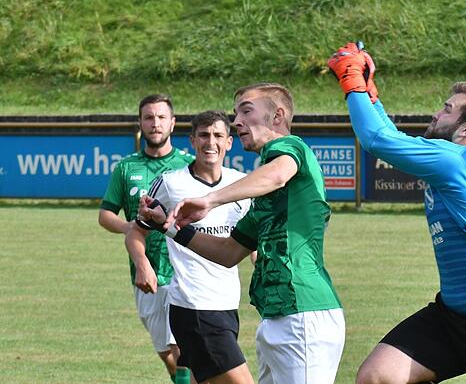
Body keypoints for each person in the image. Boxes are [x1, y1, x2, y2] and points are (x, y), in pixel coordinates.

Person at [328, 42, 466, 384]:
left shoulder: (454, 162)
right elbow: (390, 135)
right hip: (453, 316)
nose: (436, 114)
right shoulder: (465, 161)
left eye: (447, 110)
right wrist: (371, 95)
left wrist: (351, 79)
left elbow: (377, 139)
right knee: (377, 377)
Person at [162, 83, 345, 384]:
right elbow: (228, 252)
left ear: (278, 116)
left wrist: (210, 200)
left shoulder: (291, 148)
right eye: (236, 114)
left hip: (304, 314)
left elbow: (276, 174)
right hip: (275, 317)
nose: (236, 122)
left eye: (246, 111)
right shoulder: (265, 198)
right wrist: (169, 228)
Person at [126, 110, 254, 384]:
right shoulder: (171, 184)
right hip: (193, 305)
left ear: (229, 142)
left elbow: (248, 241)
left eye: (218, 135)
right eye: (204, 135)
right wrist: (142, 264)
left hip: (228, 304)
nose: (211, 142)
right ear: (192, 141)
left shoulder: (240, 185)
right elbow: (136, 231)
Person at [98, 94, 194, 382]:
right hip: (145, 274)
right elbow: (105, 215)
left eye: (162, 117)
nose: (156, 123)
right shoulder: (127, 168)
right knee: (166, 352)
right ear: (140, 123)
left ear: (173, 123)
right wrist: (131, 228)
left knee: (184, 348)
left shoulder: (188, 165)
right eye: (149, 118)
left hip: (183, 272)